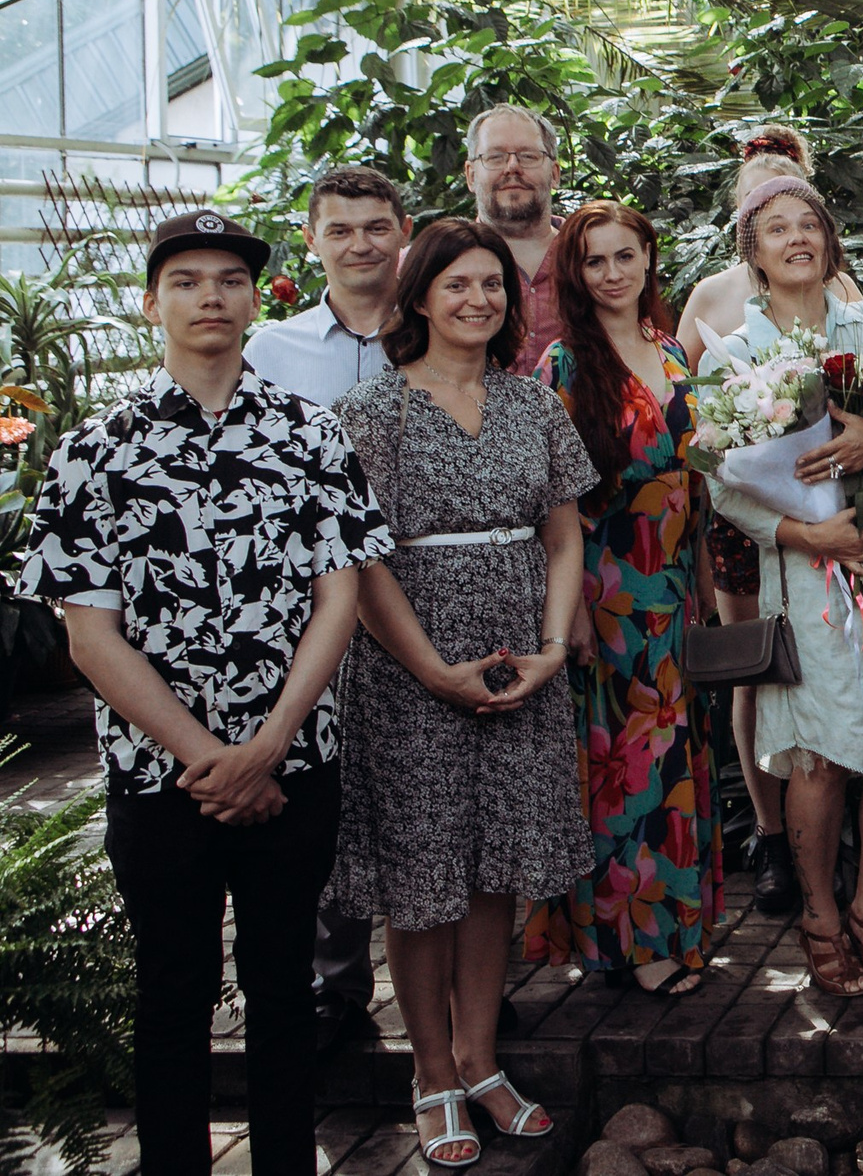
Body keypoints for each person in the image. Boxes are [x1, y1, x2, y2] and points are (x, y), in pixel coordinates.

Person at [29, 210, 392, 1176]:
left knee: (283, 992)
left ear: (253, 298)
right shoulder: (94, 450)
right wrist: (211, 757)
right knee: (172, 991)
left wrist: (268, 745)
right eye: (186, 280)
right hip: (161, 782)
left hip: (294, 767)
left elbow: (340, 597)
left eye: (229, 279)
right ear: (152, 303)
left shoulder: (310, 435)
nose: (210, 297)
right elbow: (88, 633)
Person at [326, 218, 596, 1168]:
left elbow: (563, 537)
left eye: (493, 285)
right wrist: (430, 669)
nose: (479, 300)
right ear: (419, 298)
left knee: (494, 868)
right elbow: (358, 562)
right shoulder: (372, 411)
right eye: (458, 285)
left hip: (522, 659)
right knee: (423, 874)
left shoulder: (534, 405)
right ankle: (430, 1069)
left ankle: (482, 1058)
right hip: (412, 669)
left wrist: (552, 647)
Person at [705, 177, 863, 997]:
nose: (797, 237)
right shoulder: (738, 348)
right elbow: (724, 485)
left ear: (831, 241)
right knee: (823, 756)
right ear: (753, 255)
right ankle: (822, 915)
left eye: (810, 224)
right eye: (776, 229)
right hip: (808, 573)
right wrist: (810, 533)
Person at [522, 203, 722, 996]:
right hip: (606, 587)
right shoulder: (564, 367)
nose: (612, 272)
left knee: (676, 759)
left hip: (673, 583)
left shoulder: (670, 349)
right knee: (623, 764)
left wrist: (702, 576)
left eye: (625, 256)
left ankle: (680, 929)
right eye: (595, 260)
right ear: (576, 273)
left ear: (648, 259)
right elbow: (550, 504)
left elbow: (692, 472)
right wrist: (564, 611)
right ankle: (633, 944)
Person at [241, 166, 412, 1056]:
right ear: (312, 240)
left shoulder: (438, 332)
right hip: (312, 604)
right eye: (340, 229)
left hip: (425, 586)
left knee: (431, 781)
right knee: (327, 789)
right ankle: (337, 982)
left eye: (376, 226)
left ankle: (456, 982)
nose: (360, 244)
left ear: (403, 231)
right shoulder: (268, 348)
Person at [674, 128, 863, 919]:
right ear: (747, 220)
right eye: (770, 207)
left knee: (838, 669)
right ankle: (769, 830)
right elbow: (693, 410)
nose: (791, 228)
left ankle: (835, 832)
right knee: (765, 665)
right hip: (763, 521)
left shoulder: (854, 298)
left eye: (802, 208)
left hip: (844, 513)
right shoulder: (715, 296)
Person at [465, 103, 567, 375]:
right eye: (495, 157)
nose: (512, 167)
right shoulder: (433, 264)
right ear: (471, 175)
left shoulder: (592, 256)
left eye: (528, 156)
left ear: (555, 173)